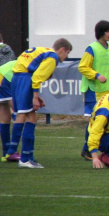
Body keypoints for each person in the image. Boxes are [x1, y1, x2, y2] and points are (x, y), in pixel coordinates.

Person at [6, 38, 72, 168]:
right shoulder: (53, 57)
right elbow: (37, 77)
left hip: (17, 78)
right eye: (67, 53)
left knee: (25, 115)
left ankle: (22, 154)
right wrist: (35, 97)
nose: (67, 57)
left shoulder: (43, 51)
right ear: (62, 49)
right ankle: (25, 158)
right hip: (25, 79)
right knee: (30, 116)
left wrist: (36, 95)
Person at [78, 20, 109, 161]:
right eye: (107, 31)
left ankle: (92, 149)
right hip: (93, 90)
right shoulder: (92, 48)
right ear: (100, 32)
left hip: (107, 89)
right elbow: (83, 67)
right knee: (94, 121)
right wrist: (96, 75)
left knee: (106, 120)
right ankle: (88, 150)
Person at [0, 60, 16, 162]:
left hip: (2, 75)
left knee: (4, 118)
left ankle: (6, 153)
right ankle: (12, 152)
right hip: (5, 78)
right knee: (20, 112)